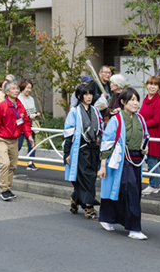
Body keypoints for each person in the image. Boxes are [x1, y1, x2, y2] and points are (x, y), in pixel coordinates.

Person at [99, 87, 149, 240]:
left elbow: (145, 136)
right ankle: (134, 228)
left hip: (136, 160)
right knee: (129, 192)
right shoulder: (116, 119)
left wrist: (144, 148)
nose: (136, 103)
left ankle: (107, 218)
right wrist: (102, 165)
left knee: (125, 192)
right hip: (120, 160)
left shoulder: (140, 118)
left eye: (137, 99)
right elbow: (107, 143)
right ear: (122, 102)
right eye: (132, 100)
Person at [0, 80, 34, 201]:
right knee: (5, 163)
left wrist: (29, 135)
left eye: (17, 88)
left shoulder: (20, 105)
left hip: (14, 140)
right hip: (1, 139)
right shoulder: (0, 106)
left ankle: (8, 188)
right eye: (13, 88)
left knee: (13, 166)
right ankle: (4, 189)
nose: (17, 90)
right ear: (6, 92)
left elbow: (25, 122)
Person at [63, 84, 103, 221]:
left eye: (90, 94)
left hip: (93, 150)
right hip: (80, 150)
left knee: (90, 178)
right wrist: (66, 153)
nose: (88, 96)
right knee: (86, 180)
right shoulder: (74, 112)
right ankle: (89, 208)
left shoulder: (96, 111)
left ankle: (75, 198)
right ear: (79, 96)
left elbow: (100, 130)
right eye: (85, 94)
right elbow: (68, 134)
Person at [140, 76, 160, 195]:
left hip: (153, 134)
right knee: (152, 159)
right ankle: (159, 183)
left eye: (155, 85)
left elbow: (157, 120)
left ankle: (153, 185)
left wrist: (142, 123)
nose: (152, 86)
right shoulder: (146, 99)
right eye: (150, 84)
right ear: (147, 85)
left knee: (151, 159)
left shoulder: (158, 102)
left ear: (158, 87)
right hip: (146, 134)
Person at [17, 78, 41, 171]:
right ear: (22, 87)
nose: (29, 90)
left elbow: (33, 110)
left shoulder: (31, 98)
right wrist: (27, 116)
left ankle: (30, 163)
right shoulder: (18, 98)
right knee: (18, 145)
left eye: (30, 88)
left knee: (32, 144)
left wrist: (36, 113)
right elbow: (16, 115)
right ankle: (9, 160)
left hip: (30, 125)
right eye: (27, 88)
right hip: (21, 125)